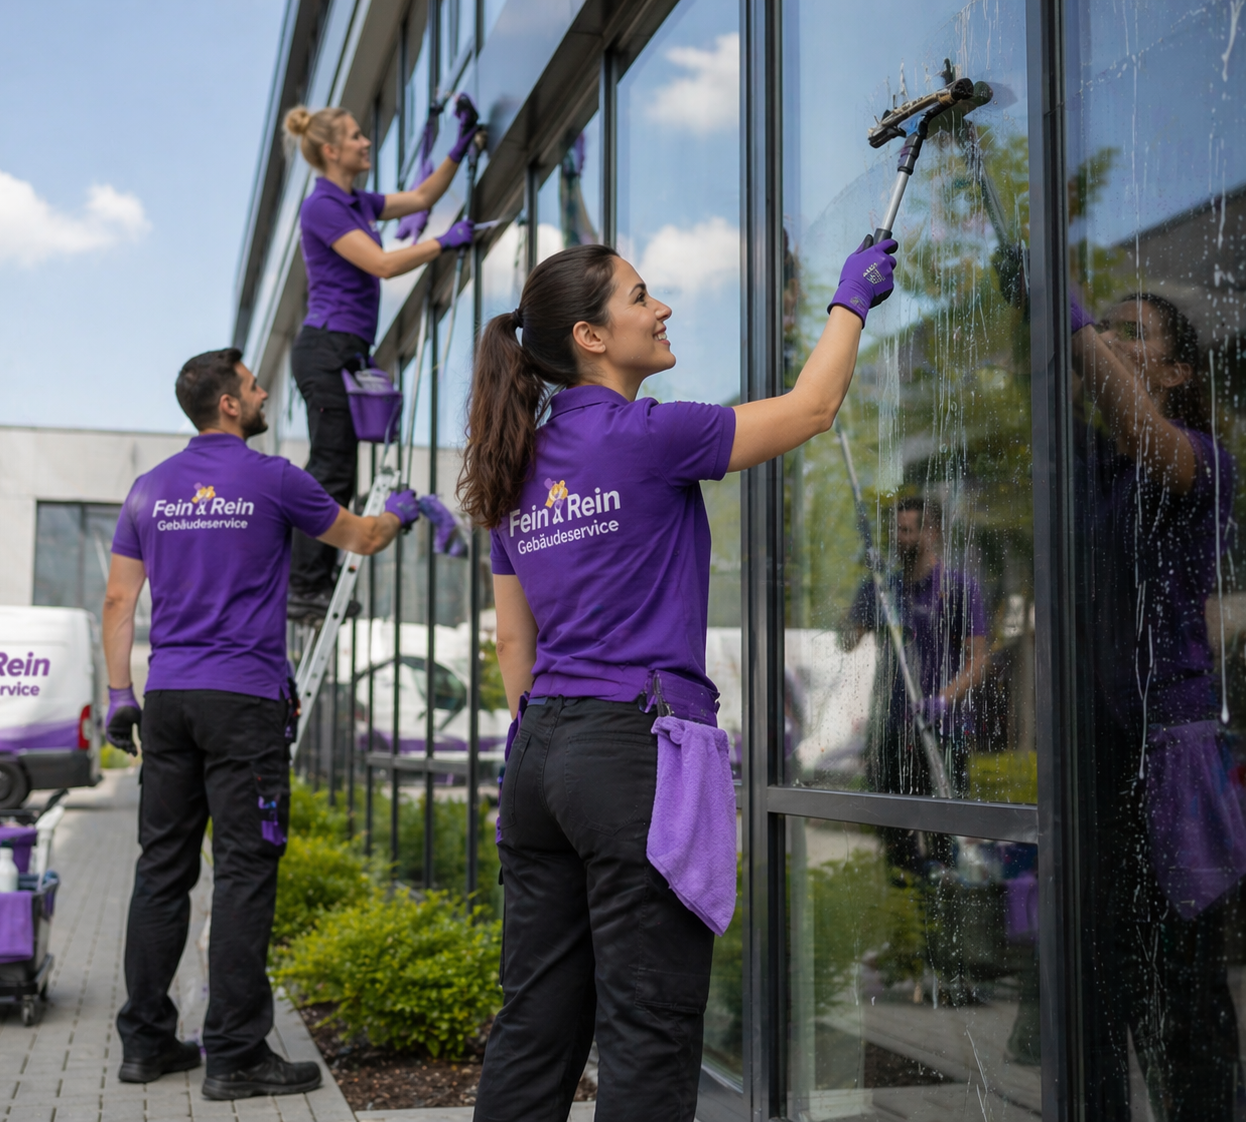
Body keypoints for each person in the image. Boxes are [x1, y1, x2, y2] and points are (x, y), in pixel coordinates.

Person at [458, 237, 898, 1121]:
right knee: (648, 1032)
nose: (661, 310)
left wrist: (552, 741)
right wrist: (849, 302)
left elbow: (515, 641)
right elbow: (813, 409)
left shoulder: (514, 467)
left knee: (536, 1026)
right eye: (641, 296)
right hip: (629, 754)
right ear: (590, 335)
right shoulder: (647, 434)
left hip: (540, 756)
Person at [101, 348, 419, 1100]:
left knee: (161, 872)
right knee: (244, 876)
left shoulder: (149, 491)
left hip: (170, 700)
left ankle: (146, 1043)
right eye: (252, 384)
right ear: (231, 407)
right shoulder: (272, 479)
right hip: (243, 705)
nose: (265, 388)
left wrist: (120, 695)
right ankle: (236, 1055)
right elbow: (363, 538)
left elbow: (118, 604)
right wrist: (403, 510)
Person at [1072, 293, 1245, 1121]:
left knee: (1186, 994)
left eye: (1128, 332)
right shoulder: (1098, 469)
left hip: (1171, 756)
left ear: (1175, 371)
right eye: (1101, 325)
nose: (1106, 339)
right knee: (1106, 989)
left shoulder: (1202, 459)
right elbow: (1094, 402)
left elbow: (1140, 430)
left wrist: (1071, 324)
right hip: (1104, 753)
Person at [281, 101, 478, 623]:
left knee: (339, 471)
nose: (366, 142)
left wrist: (457, 151)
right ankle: (305, 589)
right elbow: (384, 264)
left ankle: (311, 585)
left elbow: (420, 197)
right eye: (355, 136)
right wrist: (443, 242)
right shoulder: (321, 207)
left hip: (344, 351)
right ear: (331, 150)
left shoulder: (355, 201)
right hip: (324, 350)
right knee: (330, 469)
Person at [841, 495, 990, 867]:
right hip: (891, 734)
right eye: (895, 531)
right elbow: (846, 641)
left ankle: (944, 904)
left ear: (932, 533)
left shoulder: (957, 589)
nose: (899, 539)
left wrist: (942, 699)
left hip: (942, 732)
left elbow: (978, 661)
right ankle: (906, 907)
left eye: (908, 531)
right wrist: (865, 586)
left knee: (946, 843)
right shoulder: (883, 587)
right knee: (897, 845)